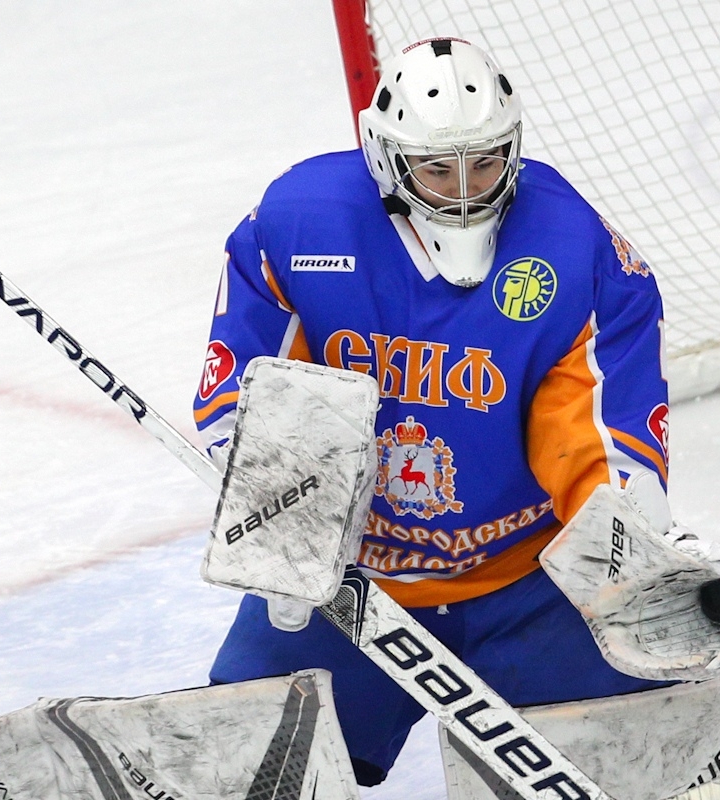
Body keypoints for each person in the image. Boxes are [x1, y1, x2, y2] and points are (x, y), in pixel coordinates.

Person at [193, 37, 676, 787]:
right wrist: (277, 525)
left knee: (646, 764)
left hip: (530, 584)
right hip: (348, 588)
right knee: (237, 775)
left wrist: (627, 533)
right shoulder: (299, 224)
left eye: (483, 163)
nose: (462, 189)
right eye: (437, 166)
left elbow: (596, 415)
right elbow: (244, 390)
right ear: (387, 157)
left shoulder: (570, 242)